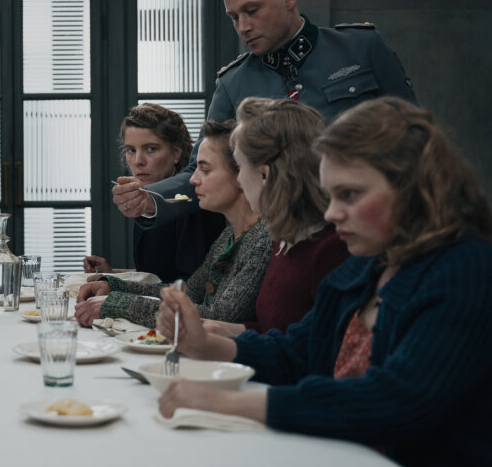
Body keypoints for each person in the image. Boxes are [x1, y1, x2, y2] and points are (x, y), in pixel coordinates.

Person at [156, 97, 492, 467]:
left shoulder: (465, 269)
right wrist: (206, 344)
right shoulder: (371, 264)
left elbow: (395, 401)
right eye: (331, 195)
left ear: (412, 185)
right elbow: (298, 351)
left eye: (349, 194)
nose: (332, 212)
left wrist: (227, 402)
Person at [112, 0, 416, 230]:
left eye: (252, 11)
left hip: (374, 222)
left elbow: (413, 136)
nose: (243, 26)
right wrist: (151, 198)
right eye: (234, 17)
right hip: (285, 238)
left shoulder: (361, 48)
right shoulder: (233, 84)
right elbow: (200, 168)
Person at [74, 120, 270, 329]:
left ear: (241, 174)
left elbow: (219, 318)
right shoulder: (230, 235)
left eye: (204, 170)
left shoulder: (263, 239)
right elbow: (188, 292)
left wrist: (119, 304)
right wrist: (113, 286)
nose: (192, 180)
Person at [206, 97, 349, 335]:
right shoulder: (284, 237)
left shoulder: (332, 249)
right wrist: (217, 329)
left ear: (265, 175)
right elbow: (277, 331)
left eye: (239, 167)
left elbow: (315, 349)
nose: (239, 178)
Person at [82, 103, 224, 282]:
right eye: (131, 150)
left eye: (151, 149)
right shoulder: (147, 199)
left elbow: (192, 287)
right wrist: (112, 274)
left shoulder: (192, 202)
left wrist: (115, 286)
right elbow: (156, 274)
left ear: (176, 153)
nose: (138, 161)